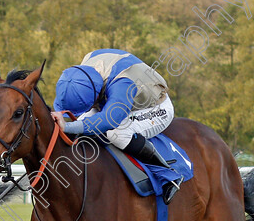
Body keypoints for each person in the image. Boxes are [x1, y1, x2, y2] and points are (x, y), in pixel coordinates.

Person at [50, 48, 182, 204]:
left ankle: (169, 174)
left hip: (155, 108)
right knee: (83, 121)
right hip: (119, 99)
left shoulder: (123, 84)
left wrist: (68, 127)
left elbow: (108, 121)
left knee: (116, 133)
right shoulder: (81, 73)